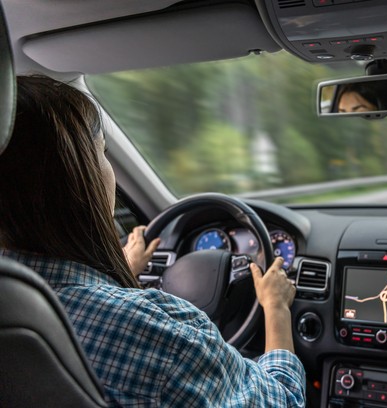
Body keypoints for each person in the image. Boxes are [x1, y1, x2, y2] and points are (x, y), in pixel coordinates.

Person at [0, 75, 305, 406]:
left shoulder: (20, 312)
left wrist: (124, 271)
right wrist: (275, 308)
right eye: (103, 151)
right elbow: (282, 400)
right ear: (78, 179)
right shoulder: (156, 329)